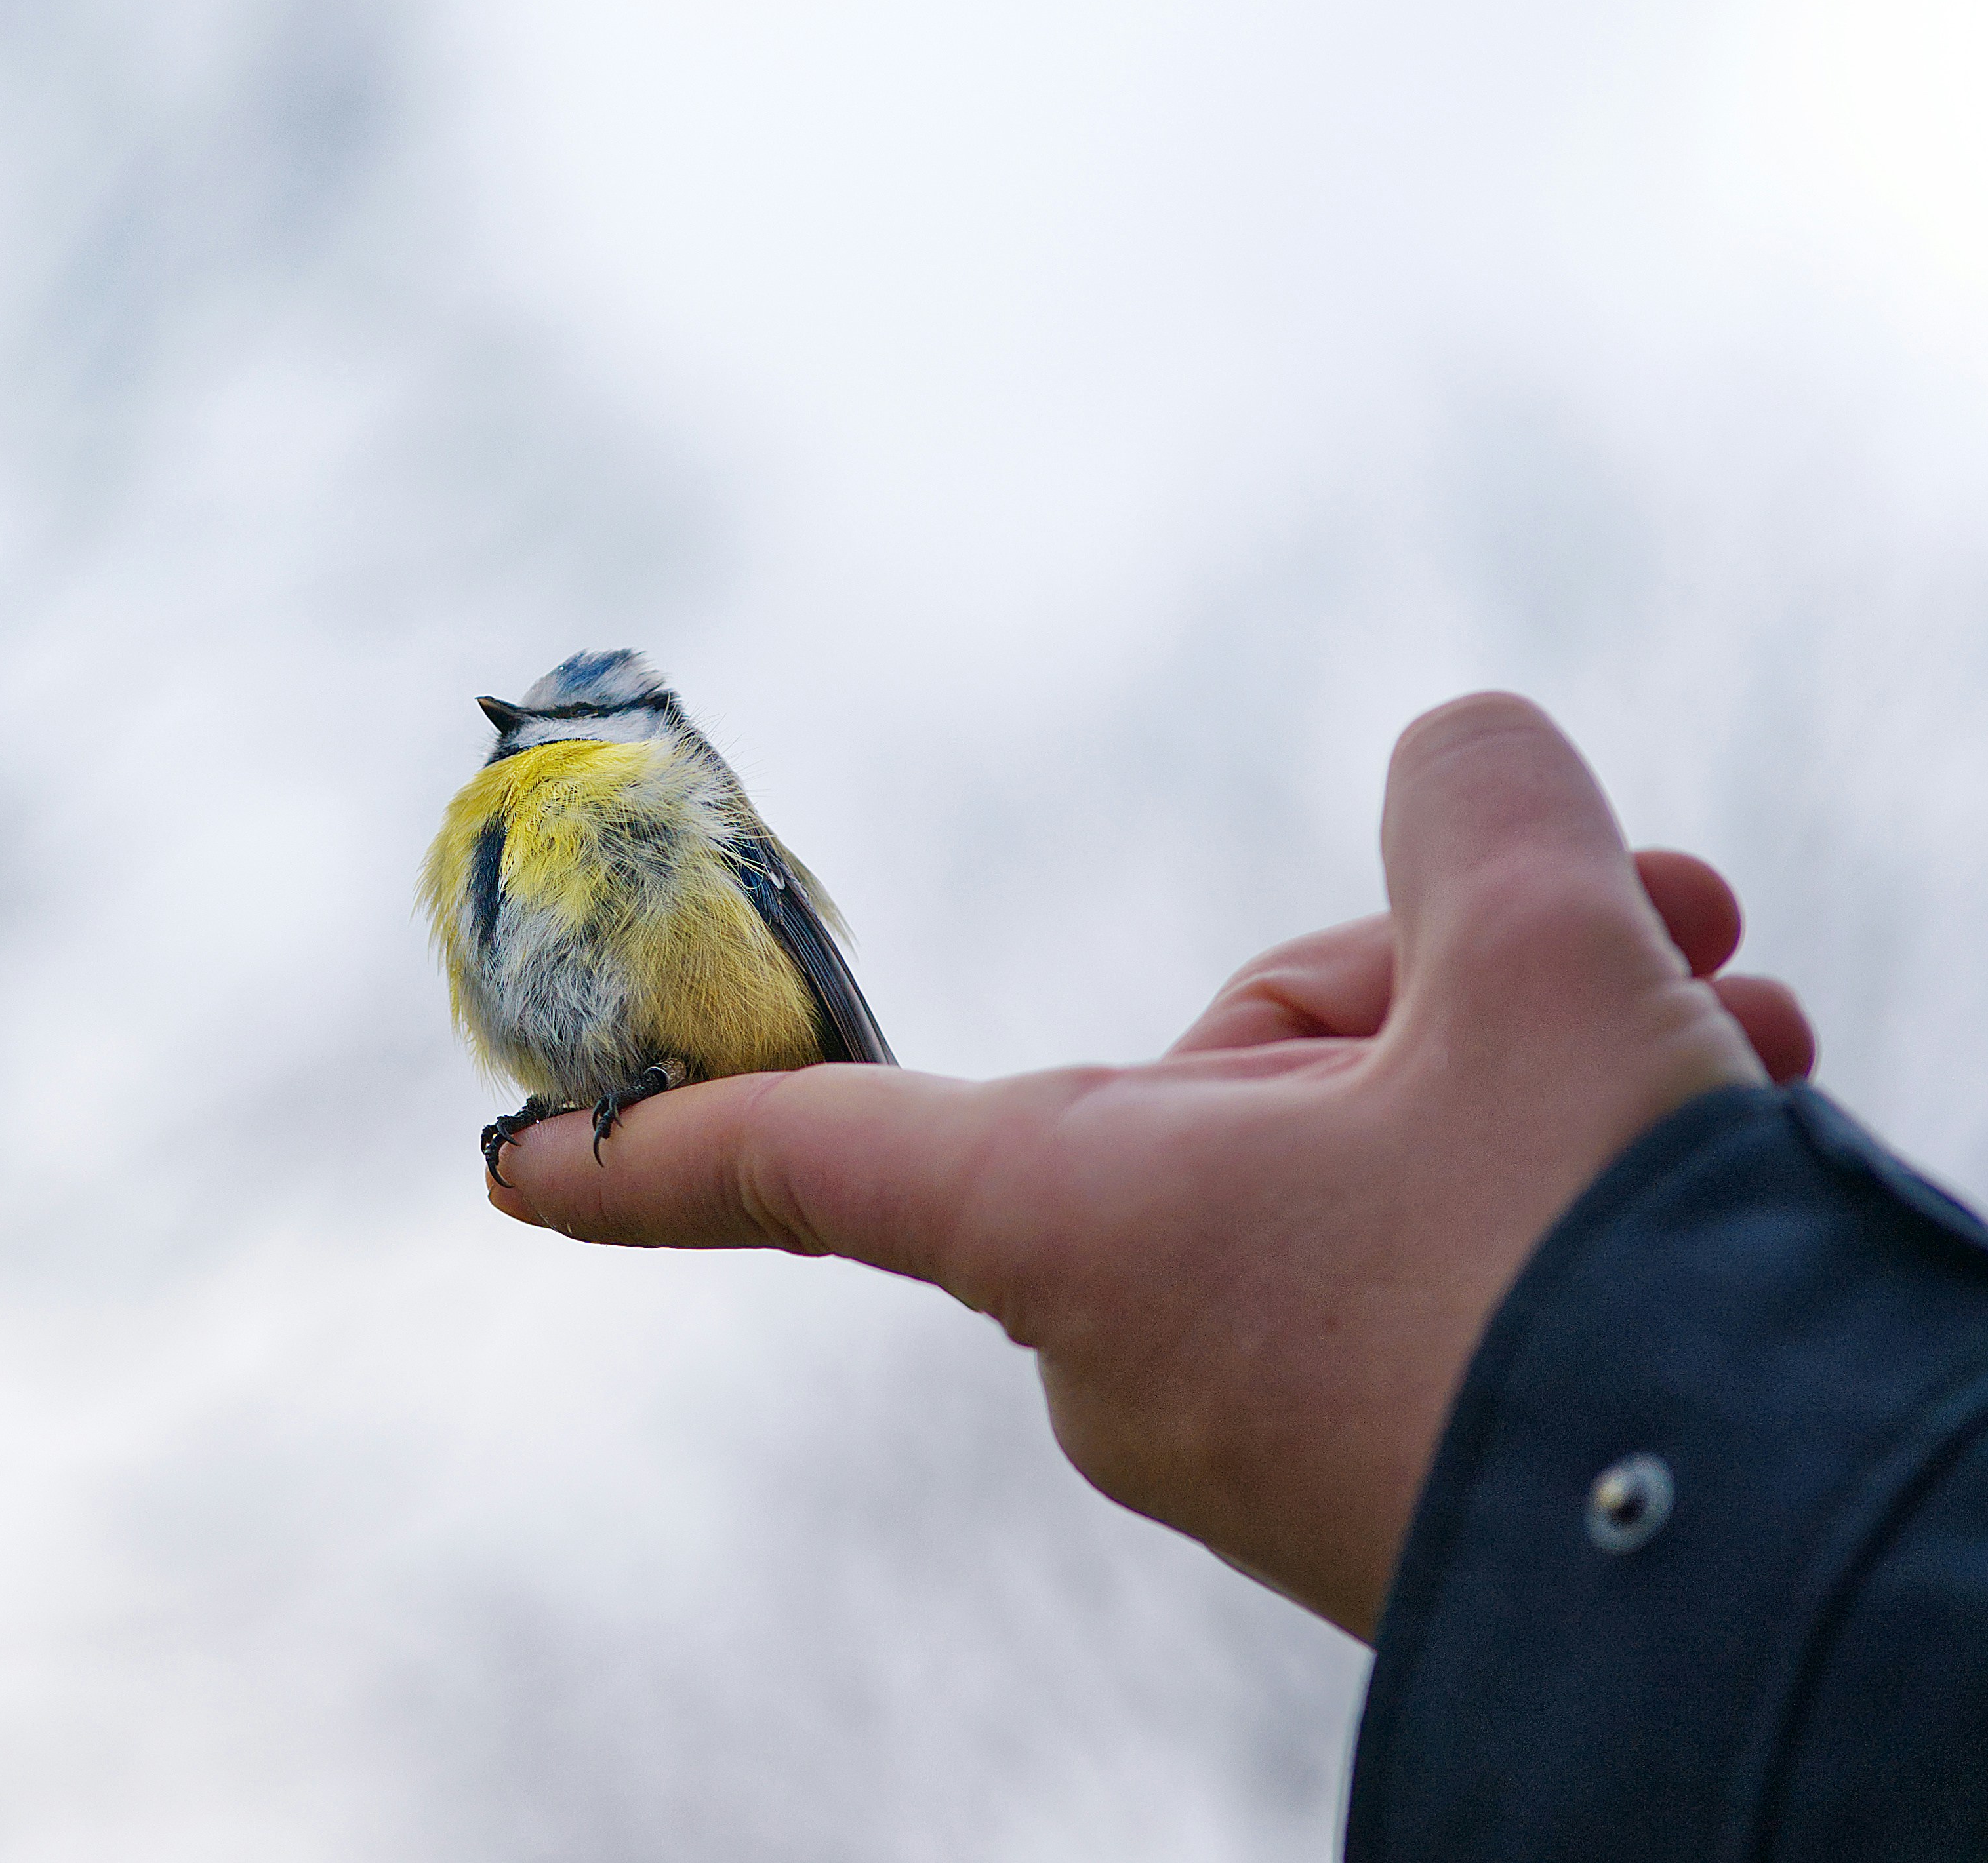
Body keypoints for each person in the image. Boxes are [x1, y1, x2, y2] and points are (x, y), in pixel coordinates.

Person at [484, 692, 1988, 1858]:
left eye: (568, 715)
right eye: (527, 721)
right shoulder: (488, 828)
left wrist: (1572, 1455)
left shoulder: (661, 790)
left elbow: (782, 942)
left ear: (634, 725)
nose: (527, 734)